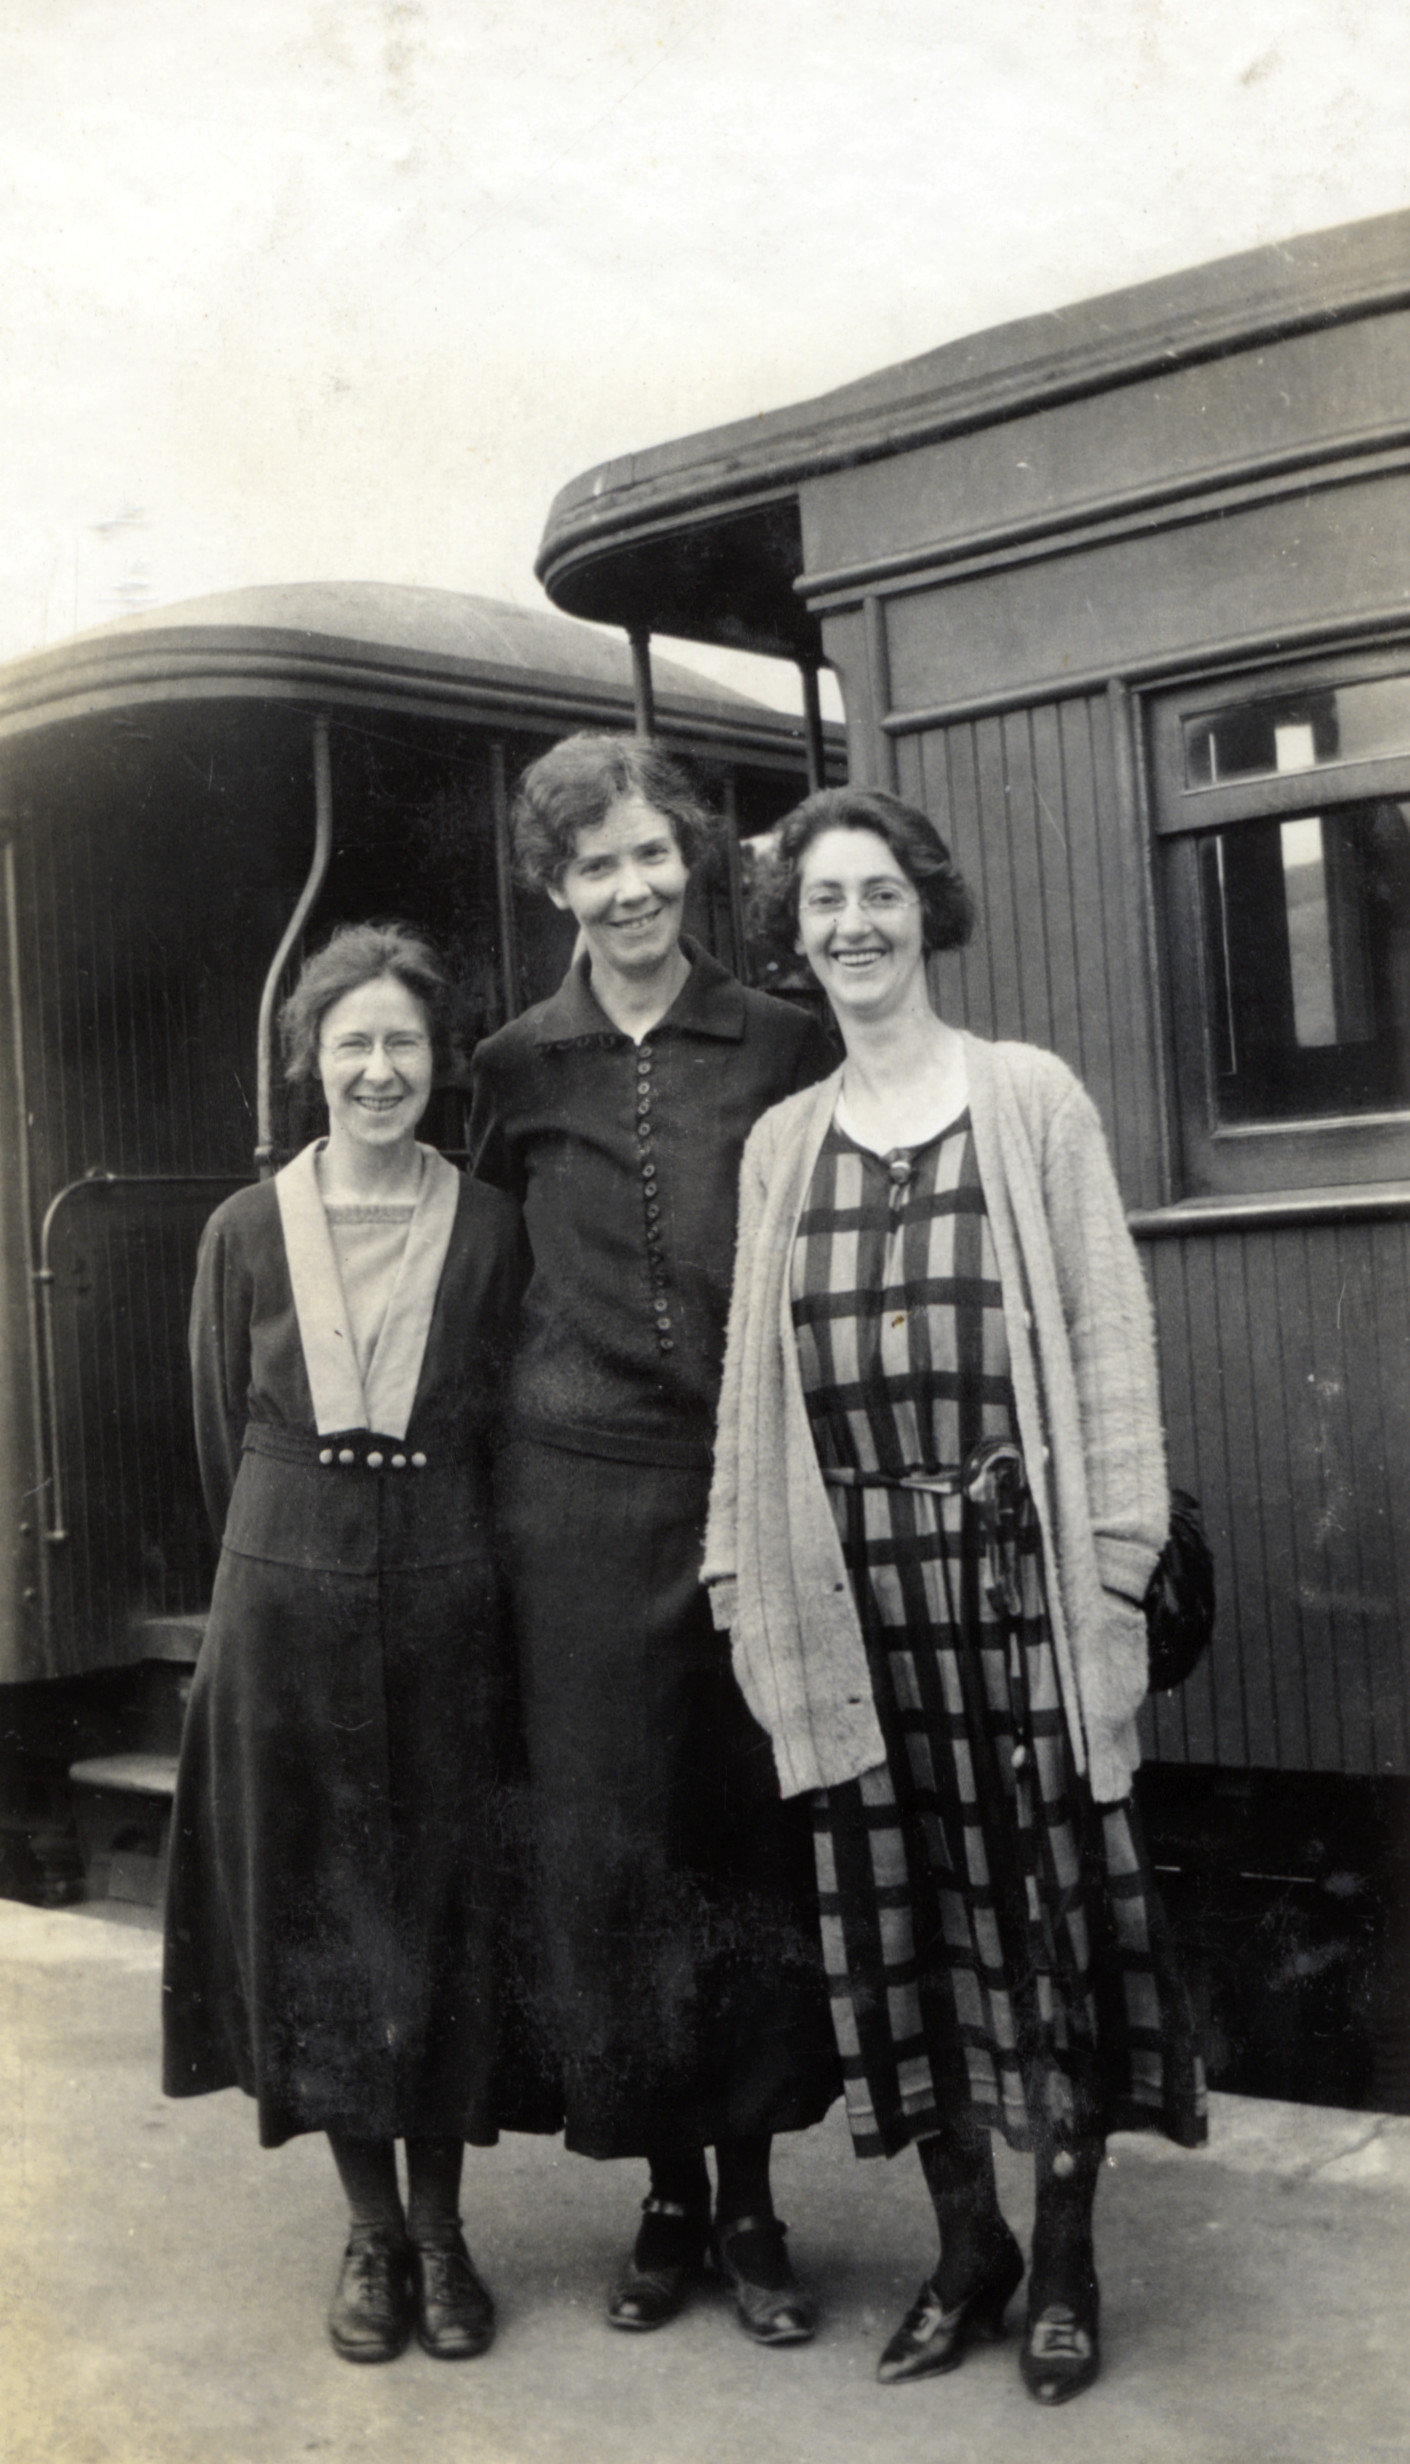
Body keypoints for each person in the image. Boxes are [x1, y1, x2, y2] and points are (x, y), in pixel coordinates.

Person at [703, 788, 1206, 2406]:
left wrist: (1114, 1565)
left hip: (1014, 1595)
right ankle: (965, 2243)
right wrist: (742, 1580)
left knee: (1042, 1927)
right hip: (854, 1602)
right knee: (893, 1932)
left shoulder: (1029, 1100)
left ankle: (1061, 2255)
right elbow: (746, 1396)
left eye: (876, 894)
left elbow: (1109, 1343)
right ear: (795, 939)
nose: (848, 925)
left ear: (925, 909)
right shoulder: (782, 1147)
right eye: (819, 904)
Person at [468, 733, 841, 2345]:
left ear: (691, 863)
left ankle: (752, 2202)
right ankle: (665, 2197)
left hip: (742, 1482)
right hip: (572, 1506)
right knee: (613, 1850)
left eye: (651, 856)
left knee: (745, 1837)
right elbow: (482, 1278)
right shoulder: (512, 1067)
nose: (629, 889)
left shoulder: (776, 1043)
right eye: (594, 865)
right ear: (554, 885)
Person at [164, 921, 547, 2366]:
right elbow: (221, 1438)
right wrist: (291, 1551)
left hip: (447, 1589)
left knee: (440, 1906)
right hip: (287, 1594)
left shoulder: (493, 1224)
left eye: (401, 1044)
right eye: (351, 1045)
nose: (377, 1070)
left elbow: (507, 1422)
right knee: (321, 1916)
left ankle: (446, 2234)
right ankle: (371, 2238)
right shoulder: (243, 1231)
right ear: (308, 1063)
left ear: (439, 1064)